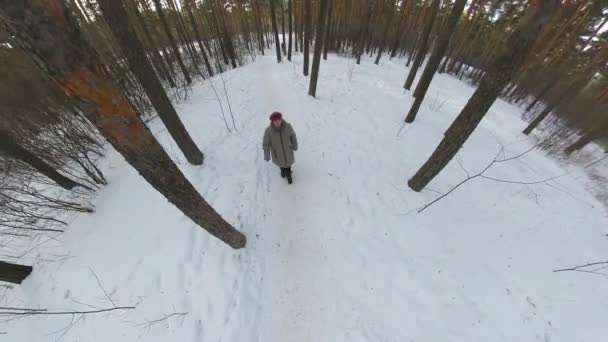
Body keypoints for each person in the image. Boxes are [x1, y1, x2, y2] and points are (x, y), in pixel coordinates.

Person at [263, 112, 298, 184]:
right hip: (277, 154)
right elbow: (266, 144)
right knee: (281, 164)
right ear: (272, 122)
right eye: (275, 121)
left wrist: (295, 145)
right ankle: (282, 170)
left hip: (288, 151)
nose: (277, 122)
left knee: (288, 164)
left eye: (279, 120)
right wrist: (267, 155)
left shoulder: (288, 126)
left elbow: (293, 136)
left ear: (281, 119)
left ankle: (289, 175)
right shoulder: (268, 131)